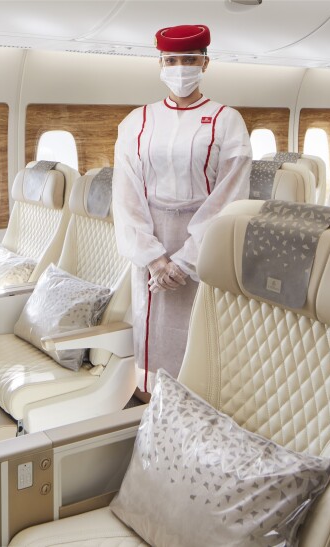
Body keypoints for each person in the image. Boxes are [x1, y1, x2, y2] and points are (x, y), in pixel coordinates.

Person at [112, 24, 252, 398]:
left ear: (205, 63)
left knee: (199, 333)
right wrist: (156, 260)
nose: (180, 68)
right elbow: (126, 196)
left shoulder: (227, 120)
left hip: (204, 242)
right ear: (159, 62)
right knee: (152, 330)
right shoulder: (136, 121)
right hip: (150, 242)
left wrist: (186, 261)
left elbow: (229, 197)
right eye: (171, 60)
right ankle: (150, 402)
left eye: (189, 59)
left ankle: (198, 405)